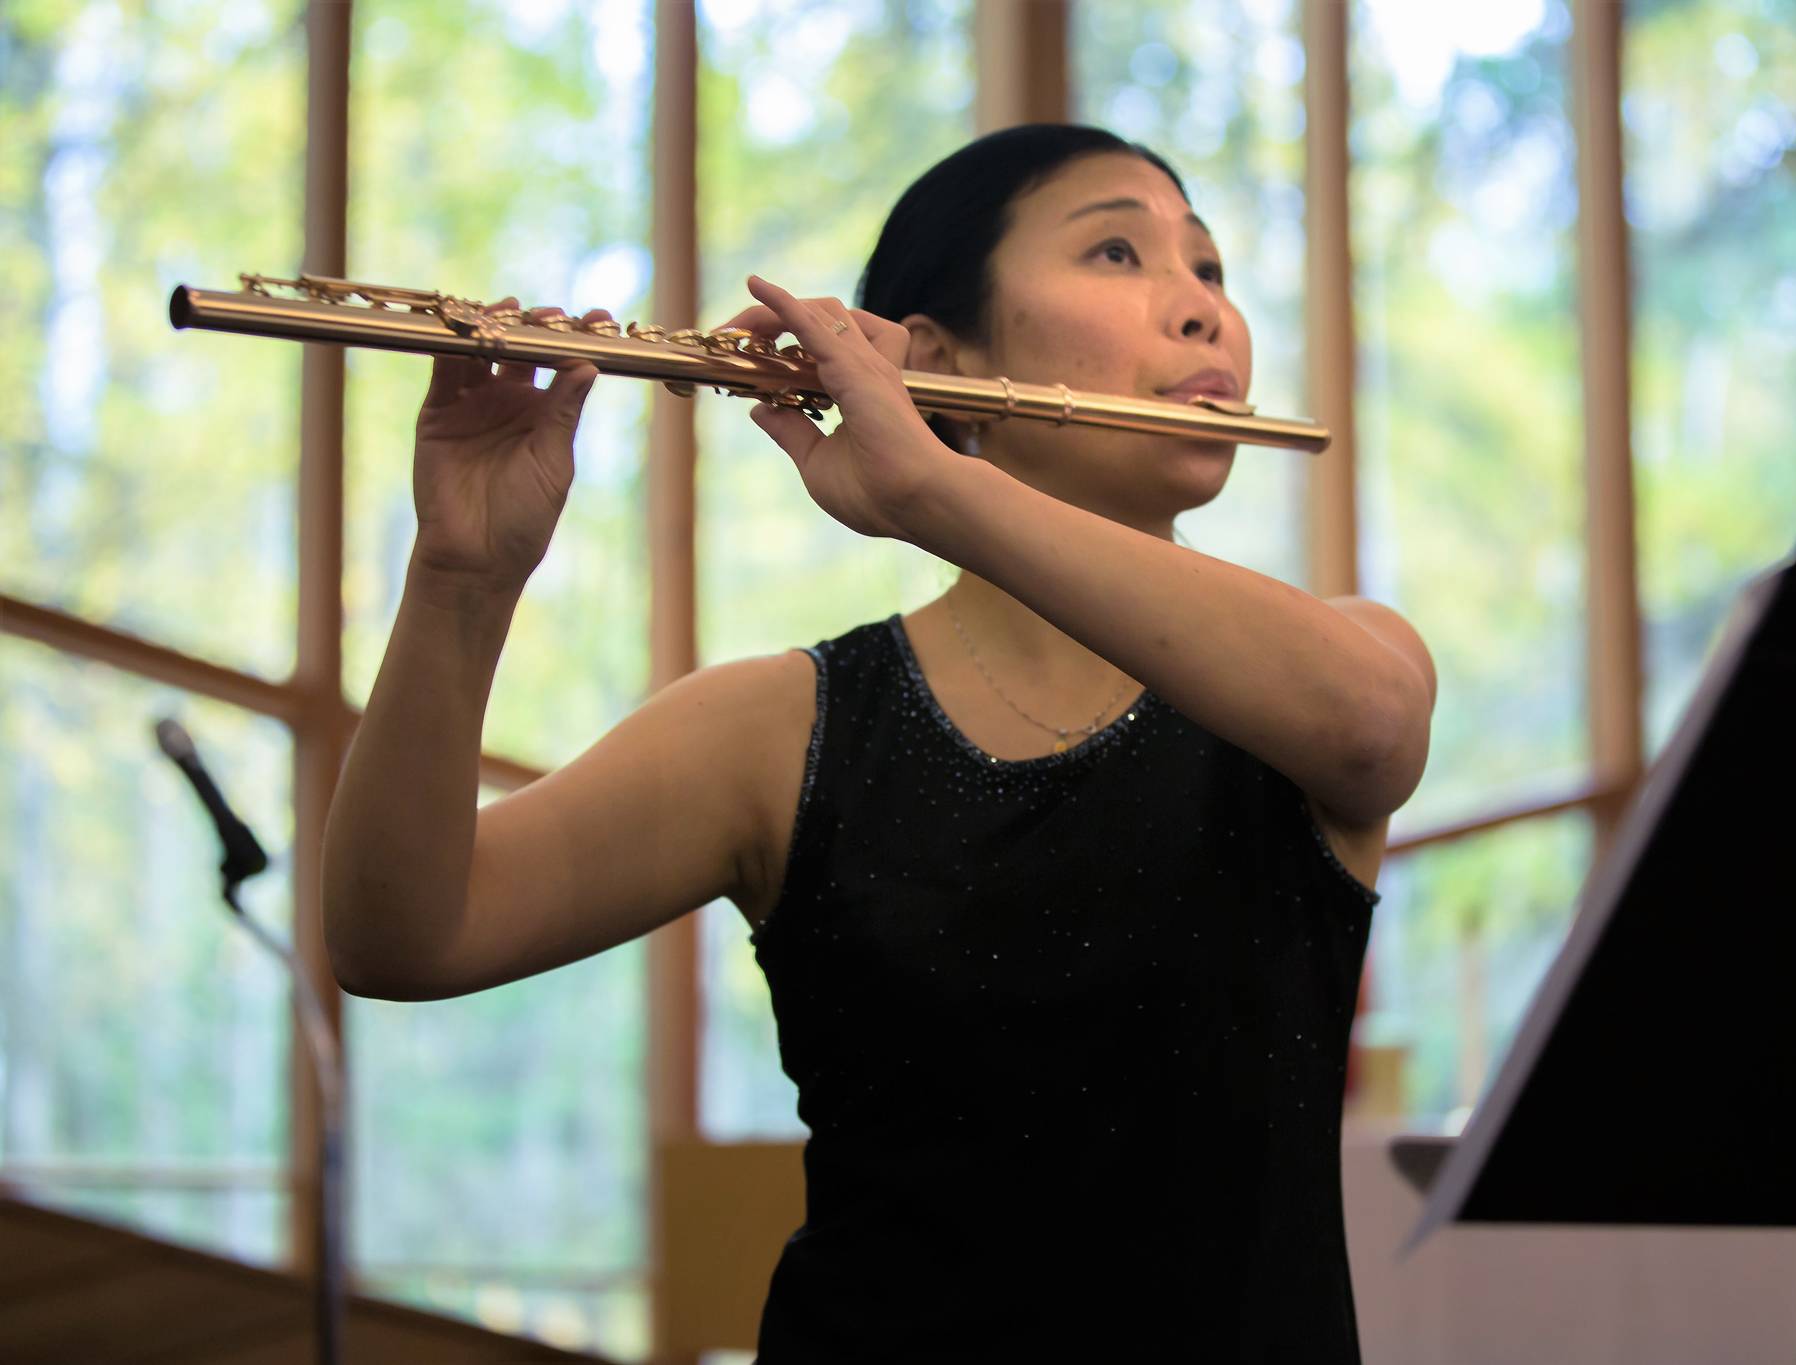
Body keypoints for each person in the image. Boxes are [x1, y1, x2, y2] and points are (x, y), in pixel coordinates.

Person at [323, 122, 1435, 1362]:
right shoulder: (780, 726)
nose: (1201, 313)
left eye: (1210, 269)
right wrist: (461, 581)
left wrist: (926, 490)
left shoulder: (1326, 666)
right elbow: (401, 936)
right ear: (940, 356)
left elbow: (1372, 727)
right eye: (1118, 251)